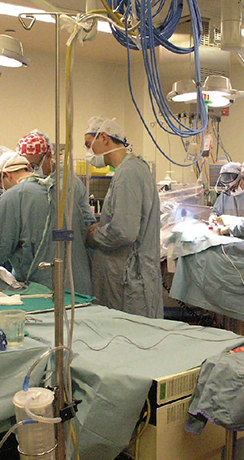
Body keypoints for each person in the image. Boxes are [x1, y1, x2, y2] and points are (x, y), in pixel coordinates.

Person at [0, 151, 93, 295]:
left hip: (45, 290)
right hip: (79, 286)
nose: (3, 191)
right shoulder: (60, 192)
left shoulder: (14, 196)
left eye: (2, 187)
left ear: (6, 175)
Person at [83, 116, 162, 318]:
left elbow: (124, 232)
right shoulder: (130, 169)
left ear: (104, 137)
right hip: (128, 279)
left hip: (129, 283)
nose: (90, 153)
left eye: (89, 145)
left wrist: (95, 236)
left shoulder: (128, 173)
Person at [16, 130, 96, 228]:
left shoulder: (67, 182)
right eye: (27, 167)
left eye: (34, 165)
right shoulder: (29, 182)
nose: (31, 171)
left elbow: (83, 219)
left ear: (49, 156)